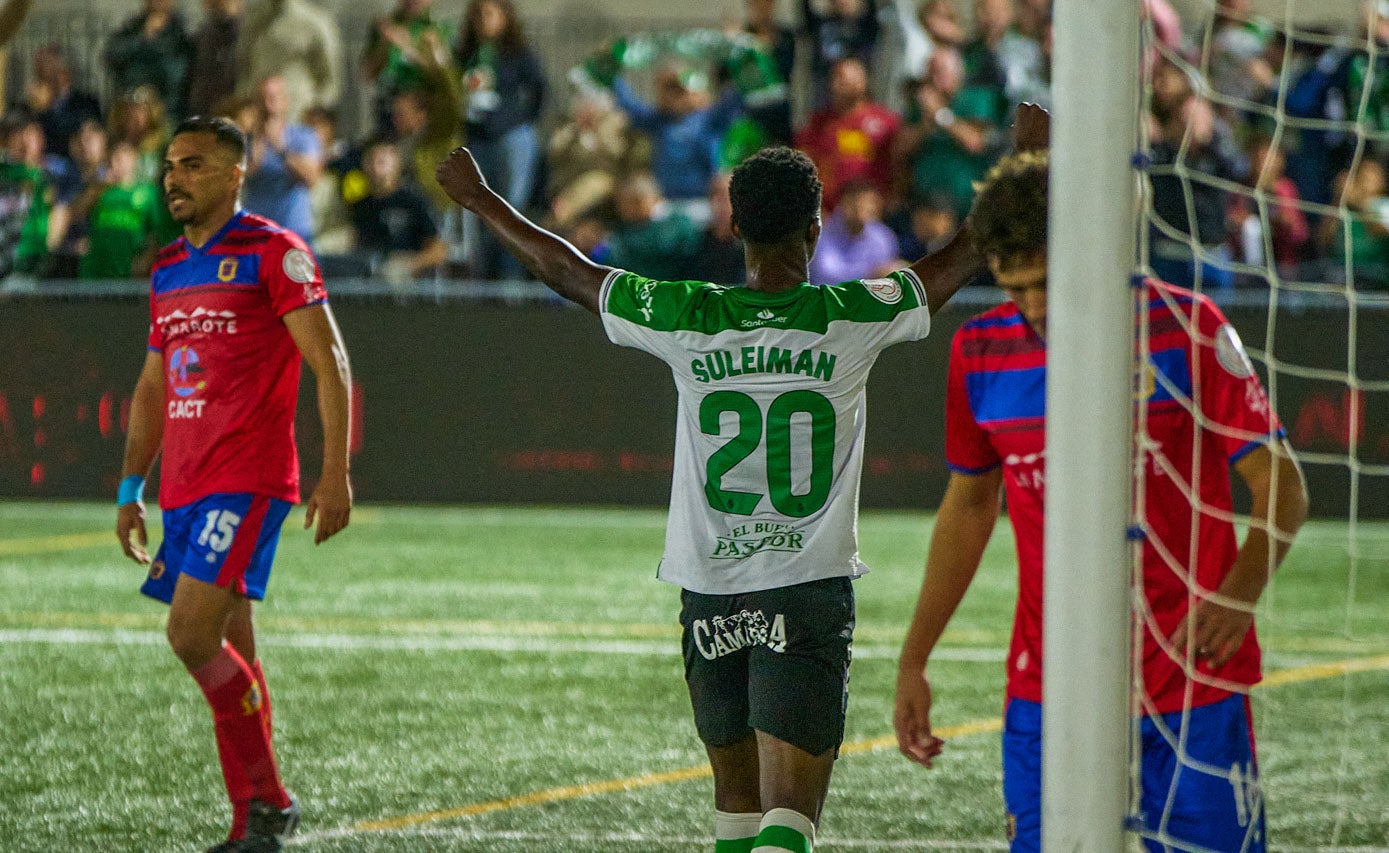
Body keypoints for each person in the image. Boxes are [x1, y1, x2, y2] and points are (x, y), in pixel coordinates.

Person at [436, 104, 1049, 853]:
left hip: (708, 586)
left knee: (735, 805)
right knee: (788, 815)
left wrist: (480, 199)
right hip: (806, 583)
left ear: (732, 227)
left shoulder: (687, 312)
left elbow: (567, 270)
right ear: (816, 229)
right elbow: (961, 257)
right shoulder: (850, 312)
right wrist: (1023, 171)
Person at [893, 150, 1309, 853]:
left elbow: (1282, 484)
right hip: (1047, 685)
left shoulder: (1187, 325)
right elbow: (967, 507)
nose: (1032, 306)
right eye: (1013, 286)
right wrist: (914, 657)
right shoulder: (979, 351)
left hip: (1189, 678)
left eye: (1045, 283)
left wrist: (1238, 592)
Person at [114, 116, 352, 853]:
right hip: (184, 488)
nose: (173, 178)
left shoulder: (274, 254)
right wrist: (131, 486)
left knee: (189, 634)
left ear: (233, 174)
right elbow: (154, 385)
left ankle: (271, 803)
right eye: (168, 166)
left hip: (245, 480)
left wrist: (335, 472)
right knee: (232, 645)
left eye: (191, 164)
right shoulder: (167, 268)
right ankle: (254, 816)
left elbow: (329, 361)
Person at [240, 76, 323, 243]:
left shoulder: (304, 136)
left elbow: (311, 178)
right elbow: (240, 178)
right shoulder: (245, 140)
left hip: (293, 232)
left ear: (285, 100)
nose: (268, 103)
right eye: (262, 98)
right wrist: (258, 141)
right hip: (256, 234)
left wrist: (280, 148)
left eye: (274, 97)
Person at [103, 0, 193, 119]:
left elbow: (175, 74)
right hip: (131, 109)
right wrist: (145, 37)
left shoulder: (180, 33)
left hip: (166, 112)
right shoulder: (133, 27)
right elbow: (112, 55)